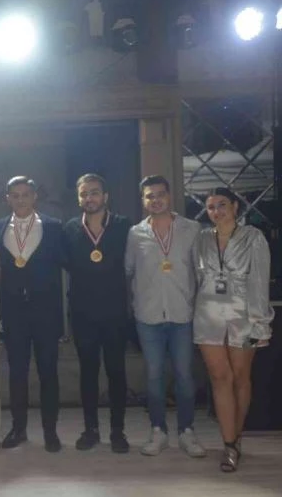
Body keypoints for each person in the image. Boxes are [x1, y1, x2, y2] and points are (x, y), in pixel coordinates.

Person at [193, 187, 273, 472]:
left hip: (245, 316)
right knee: (219, 378)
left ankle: (236, 437)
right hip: (208, 315)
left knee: (240, 378)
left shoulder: (253, 237)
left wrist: (259, 322)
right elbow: (197, 276)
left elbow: (260, 282)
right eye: (211, 207)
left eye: (222, 205)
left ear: (235, 207)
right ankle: (228, 444)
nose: (216, 211)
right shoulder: (202, 238)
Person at [125, 175, 206, 458]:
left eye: (160, 194)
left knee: (184, 375)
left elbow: (200, 271)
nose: (156, 200)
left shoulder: (191, 228)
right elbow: (127, 270)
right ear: (143, 200)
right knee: (154, 376)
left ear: (169, 196)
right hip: (147, 316)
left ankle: (186, 431)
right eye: (150, 196)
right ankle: (158, 430)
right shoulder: (135, 233)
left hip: (182, 314)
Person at [0, 176, 64, 452]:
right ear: (8, 199)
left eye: (25, 194)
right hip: (13, 313)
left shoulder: (54, 227)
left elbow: (64, 265)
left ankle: (50, 432)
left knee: (49, 373)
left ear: (35, 196)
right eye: (15, 195)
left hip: (46, 312)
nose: (20, 200)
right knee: (17, 373)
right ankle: (18, 429)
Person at [63, 174, 131, 453]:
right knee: (88, 373)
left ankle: (117, 431)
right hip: (83, 314)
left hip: (115, 312)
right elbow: (67, 265)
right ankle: (90, 429)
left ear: (105, 196)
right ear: (78, 198)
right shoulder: (69, 229)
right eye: (84, 194)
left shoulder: (124, 226)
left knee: (116, 371)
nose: (89, 198)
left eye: (94, 192)